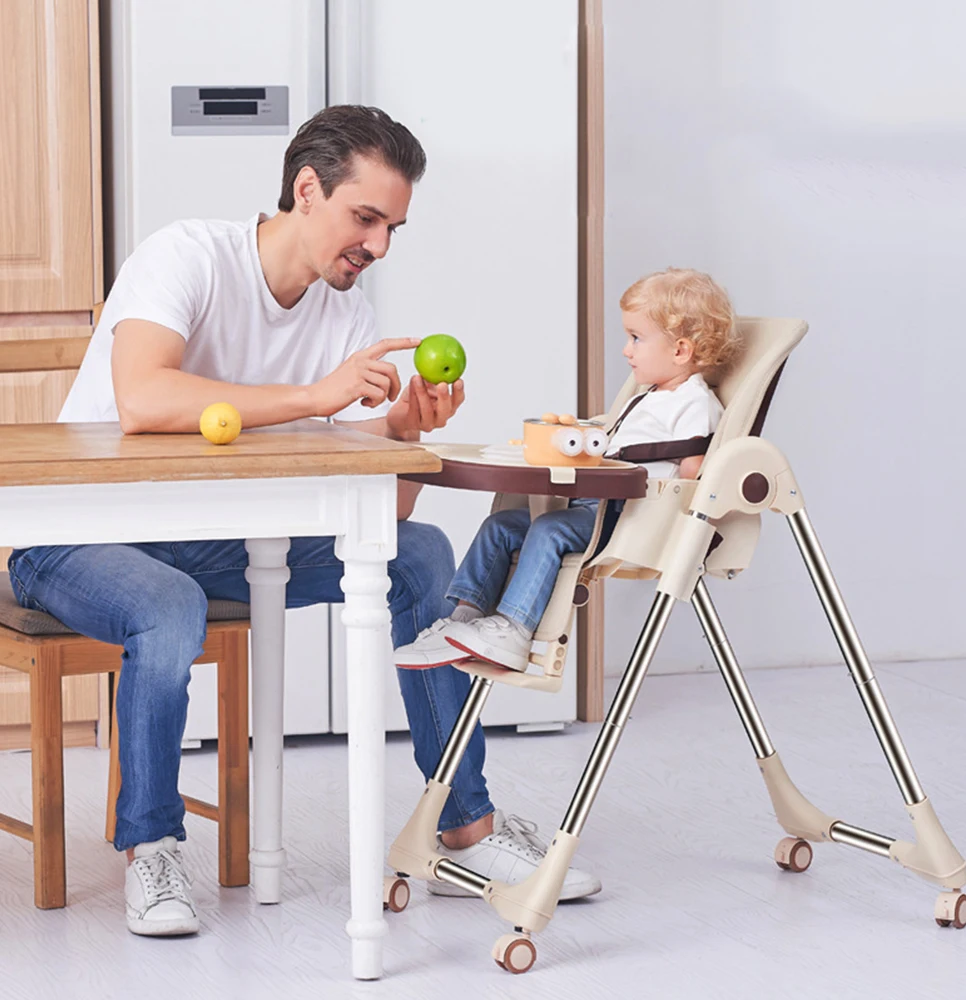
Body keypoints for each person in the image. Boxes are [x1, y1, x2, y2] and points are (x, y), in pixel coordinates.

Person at [6, 105, 598, 936]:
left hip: (216, 541)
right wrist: (317, 400)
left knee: (419, 553)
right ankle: (152, 847)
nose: (380, 245)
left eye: (393, 226)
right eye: (366, 218)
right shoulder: (187, 256)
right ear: (306, 188)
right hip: (73, 535)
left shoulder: (346, 317)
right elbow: (144, 396)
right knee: (165, 603)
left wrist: (399, 436)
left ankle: (461, 825)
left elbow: (377, 520)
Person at [396, 268, 740, 673]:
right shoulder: (648, 397)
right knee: (503, 525)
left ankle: (514, 626)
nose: (627, 350)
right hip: (593, 504)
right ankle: (465, 619)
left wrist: (680, 522)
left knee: (549, 530)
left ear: (681, 351)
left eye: (636, 338)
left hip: (630, 517)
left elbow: (695, 471)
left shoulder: (694, 403)